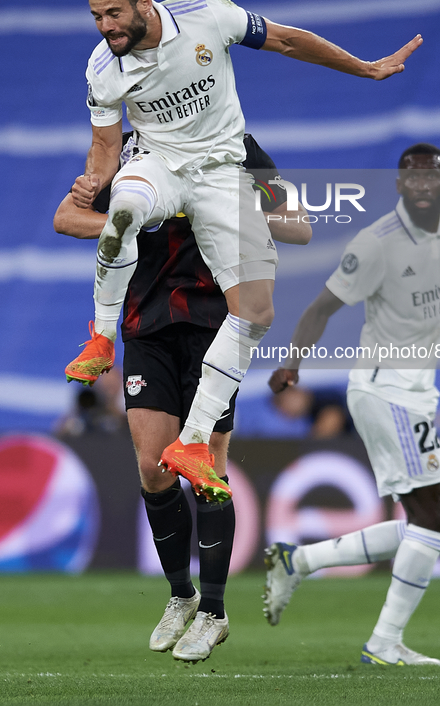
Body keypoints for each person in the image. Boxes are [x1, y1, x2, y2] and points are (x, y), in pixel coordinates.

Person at [63, 0, 422, 503]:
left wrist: (244, 210)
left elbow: (298, 227)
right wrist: (99, 186)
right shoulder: (116, 98)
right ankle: (100, 338)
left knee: (257, 313)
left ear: (144, 3)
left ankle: (195, 449)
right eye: (96, 16)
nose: (105, 26)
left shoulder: (250, 157)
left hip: (210, 313)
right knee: (128, 208)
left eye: (113, 13)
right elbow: (78, 197)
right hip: (150, 310)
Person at [55, 130, 309, 662]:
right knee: (152, 467)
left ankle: (214, 613)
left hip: (217, 328)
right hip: (145, 325)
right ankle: (181, 596)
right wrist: (139, 223)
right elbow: (66, 217)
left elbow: (299, 227)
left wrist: (236, 212)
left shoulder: (237, 145)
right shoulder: (125, 149)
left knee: (207, 467)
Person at [264, 142, 440, 666]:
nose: (423, 185)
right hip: (384, 390)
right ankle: (383, 643)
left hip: (418, 393)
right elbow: (321, 307)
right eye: (412, 178)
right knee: (436, 517)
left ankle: (299, 560)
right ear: (400, 185)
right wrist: (292, 363)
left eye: (433, 177)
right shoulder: (375, 244)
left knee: (423, 520)